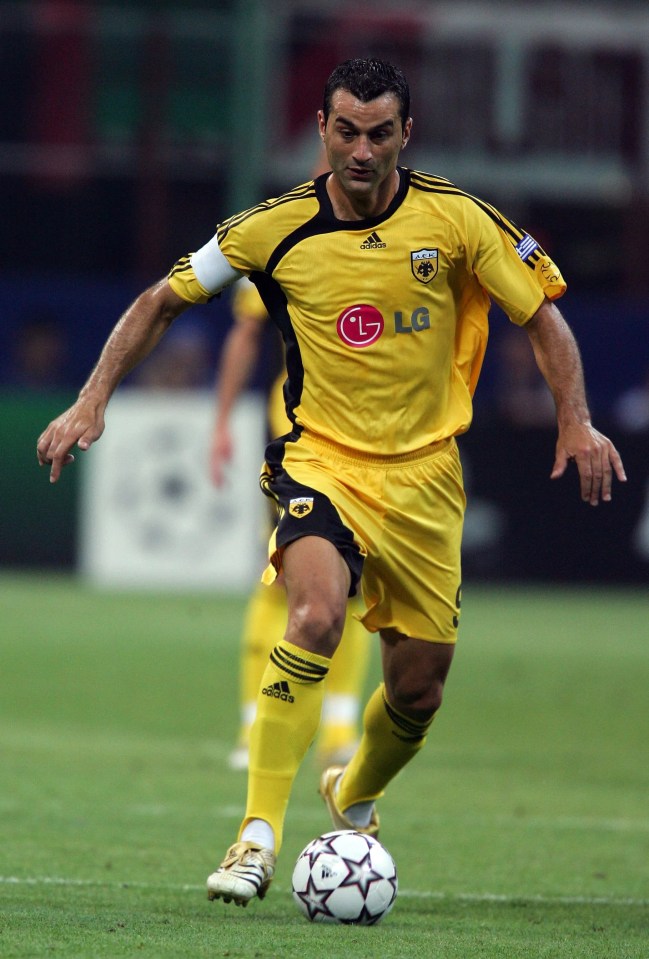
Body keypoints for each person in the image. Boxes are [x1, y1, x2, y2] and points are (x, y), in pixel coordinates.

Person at [37, 58, 626, 910]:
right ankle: (254, 836)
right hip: (322, 462)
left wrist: (573, 417)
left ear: (405, 134)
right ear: (321, 128)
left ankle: (350, 793)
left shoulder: (458, 220)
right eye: (345, 130)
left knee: (418, 685)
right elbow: (160, 300)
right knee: (312, 614)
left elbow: (541, 314)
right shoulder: (269, 229)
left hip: (426, 476)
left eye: (378, 132)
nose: (360, 149)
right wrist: (92, 399)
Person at [211, 277, 371, 770]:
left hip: (372, 431)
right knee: (279, 575)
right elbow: (245, 331)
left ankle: (340, 728)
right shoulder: (286, 239)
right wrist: (222, 422)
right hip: (300, 428)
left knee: (355, 582)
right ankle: (255, 722)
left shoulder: (400, 239)